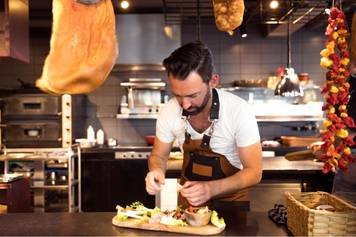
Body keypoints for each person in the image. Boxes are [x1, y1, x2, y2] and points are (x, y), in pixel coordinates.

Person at [145, 41, 262, 208]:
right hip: (189, 205)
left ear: (213, 81)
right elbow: (159, 156)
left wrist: (210, 189)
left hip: (232, 206)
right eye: (177, 95)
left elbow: (254, 172)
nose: (184, 104)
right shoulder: (169, 111)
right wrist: (156, 170)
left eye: (193, 95)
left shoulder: (239, 110)